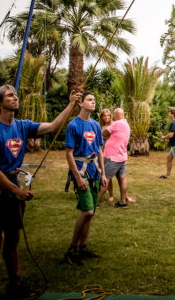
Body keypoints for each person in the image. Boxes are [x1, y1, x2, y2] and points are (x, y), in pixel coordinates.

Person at [0, 85, 82, 300]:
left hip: (13, 192)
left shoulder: (23, 126)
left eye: (15, 95)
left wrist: (71, 104)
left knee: (13, 238)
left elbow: (52, 127)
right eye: (9, 96)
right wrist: (16, 190)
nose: (15, 98)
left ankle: (15, 283)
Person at [64, 91, 105, 265]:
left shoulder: (95, 125)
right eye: (89, 99)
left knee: (91, 213)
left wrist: (103, 173)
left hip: (95, 172)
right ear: (81, 103)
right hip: (81, 173)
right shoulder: (73, 125)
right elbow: (69, 153)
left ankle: (83, 247)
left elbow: (100, 150)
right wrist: (77, 177)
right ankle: (72, 249)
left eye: (94, 100)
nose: (93, 102)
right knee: (87, 210)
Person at [98, 108, 134, 207]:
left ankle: (94, 202)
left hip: (113, 157)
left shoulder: (117, 123)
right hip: (121, 157)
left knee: (106, 178)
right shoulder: (126, 124)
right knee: (122, 178)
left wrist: (107, 136)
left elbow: (104, 133)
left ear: (118, 115)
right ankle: (123, 201)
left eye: (114, 114)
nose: (113, 116)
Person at [98, 108, 114, 201]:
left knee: (108, 174)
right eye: (105, 115)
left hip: (110, 151)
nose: (107, 117)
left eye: (108, 115)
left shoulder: (113, 126)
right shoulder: (99, 126)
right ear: (102, 117)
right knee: (102, 173)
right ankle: (100, 191)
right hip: (100, 151)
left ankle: (111, 194)